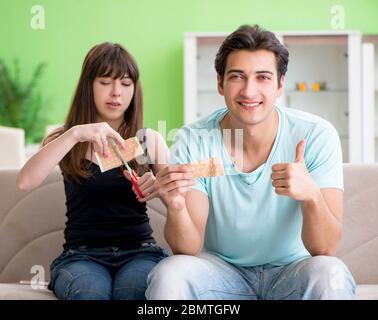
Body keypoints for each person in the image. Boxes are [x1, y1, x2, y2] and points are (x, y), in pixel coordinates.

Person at [146, 25, 356, 300]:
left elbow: (325, 248)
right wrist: (176, 207)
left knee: (332, 274)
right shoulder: (193, 139)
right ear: (220, 83)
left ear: (280, 84)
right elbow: (187, 248)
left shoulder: (316, 135)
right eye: (237, 77)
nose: (249, 90)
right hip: (221, 273)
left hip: (293, 272)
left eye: (263, 77)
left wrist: (311, 196)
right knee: (169, 274)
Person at [16, 42, 169, 300]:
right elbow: (25, 182)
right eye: (105, 81)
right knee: (89, 292)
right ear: (89, 85)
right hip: (81, 256)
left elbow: (181, 202)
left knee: (133, 292)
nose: (116, 93)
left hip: (140, 252)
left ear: (135, 89)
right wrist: (75, 133)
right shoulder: (67, 139)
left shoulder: (147, 140)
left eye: (125, 83)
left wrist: (160, 186)